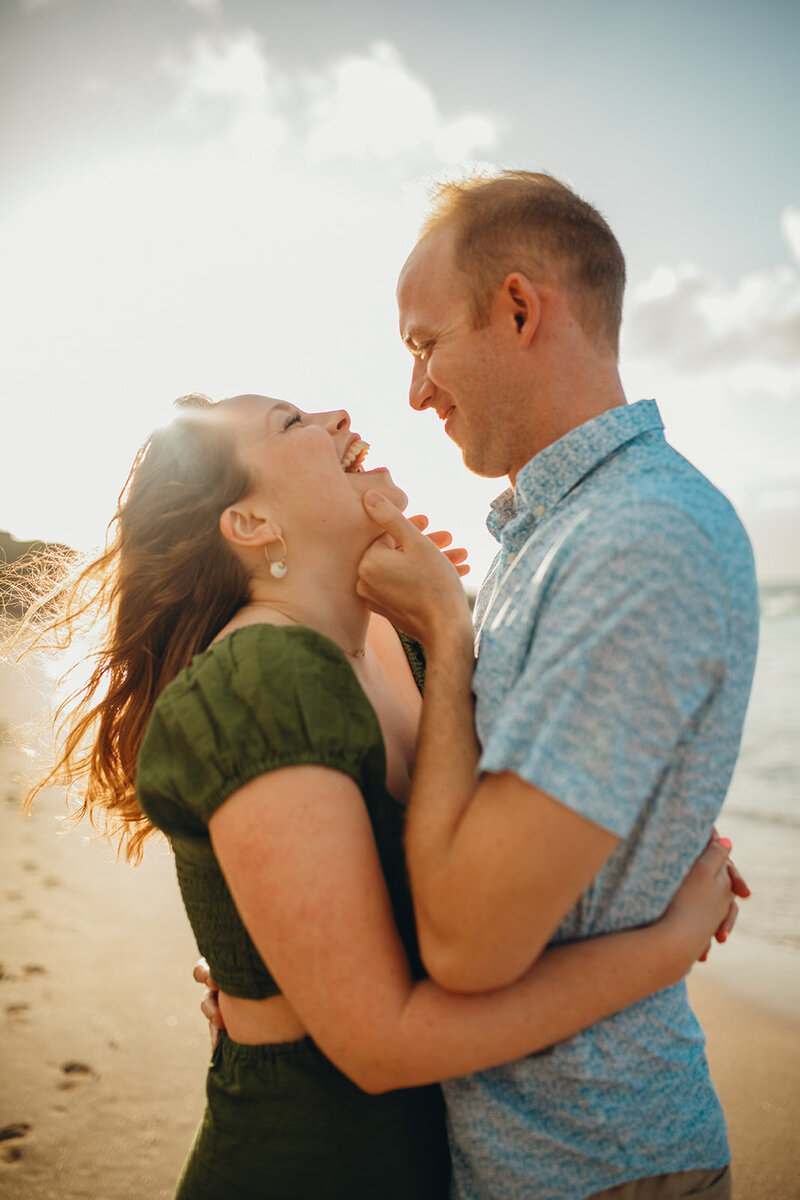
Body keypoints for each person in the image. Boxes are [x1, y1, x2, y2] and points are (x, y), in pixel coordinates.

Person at [18, 391, 742, 1200]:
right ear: (252, 526)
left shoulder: (404, 645)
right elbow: (379, 1044)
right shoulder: (263, 677)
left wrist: (667, 842)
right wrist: (667, 945)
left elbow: (511, 812)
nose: (337, 417)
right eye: (292, 424)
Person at [353, 171, 760, 1200]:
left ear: (521, 308)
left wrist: (447, 635)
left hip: (598, 1166)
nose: (414, 391)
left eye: (422, 343)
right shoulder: (556, 538)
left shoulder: (638, 539)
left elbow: (470, 941)